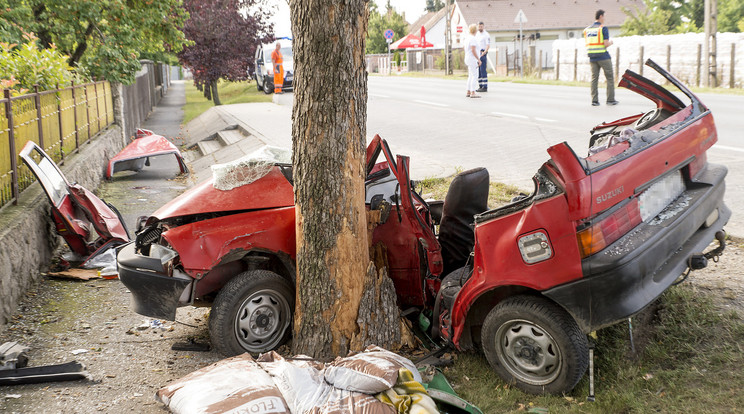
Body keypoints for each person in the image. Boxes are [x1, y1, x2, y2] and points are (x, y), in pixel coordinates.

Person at [583, 10, 618, 106]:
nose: (605, 18)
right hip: (603, 56)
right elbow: (606, 44)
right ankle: (610, 100)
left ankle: (594, 101)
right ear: (601, 16)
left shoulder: (587, 30)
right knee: (610, 78)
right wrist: (611, 42)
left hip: (592, 57)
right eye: (604, 16)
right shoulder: (603, 28)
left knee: (594, 78)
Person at [464, 24, 481, 98]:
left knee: (470, 75)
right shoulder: (473, 39)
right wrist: (478, 59)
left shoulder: (467, 38)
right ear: (475, 30)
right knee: (475, 75)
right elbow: (473, 49)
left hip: (468, 57)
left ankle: (468, 91)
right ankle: (473, 92)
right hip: (472, 59)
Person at [475, 21, 490, 92]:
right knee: (479, 71)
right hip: (477, 54)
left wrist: (485, 52)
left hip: (482, 53)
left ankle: (485, 86)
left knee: (483, 70)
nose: (480, 27)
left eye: (481, 26)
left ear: (483, 26)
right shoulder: (477, 34)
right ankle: (480, 86)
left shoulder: (486, 35)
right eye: (479, 26)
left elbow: (488, 45)